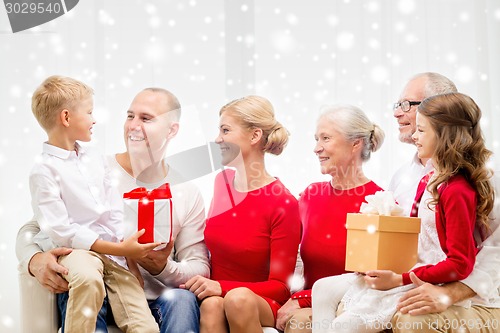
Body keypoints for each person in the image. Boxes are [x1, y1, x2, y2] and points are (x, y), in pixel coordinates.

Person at [17, 87, 210, 333]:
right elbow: (32, 229)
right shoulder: (92, 168)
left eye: (146, 118)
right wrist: (33, 259)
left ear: (172, 130)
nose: (133, 126)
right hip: (100, 289)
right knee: (88, 287)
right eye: (130, 116)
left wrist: (161, 267)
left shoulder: (187, 192)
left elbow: (200, 267)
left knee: (183, 300)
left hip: (156, 301)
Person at [312, 92, 495, 332]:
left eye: (421, 131)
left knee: (345, 325)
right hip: (412, 271)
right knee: (322, 290)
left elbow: (460, 263)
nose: (414, 137)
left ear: (444, 135)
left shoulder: (456, 190)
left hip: (425, 278)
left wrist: (400, 279)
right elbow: (413, 240)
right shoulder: (428, 179)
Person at [28, 75, 160, 333]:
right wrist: (122, 250)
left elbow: (113, 213)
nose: (94, 119)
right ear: (66, 118)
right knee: (88, 278)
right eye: (89, 112)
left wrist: (129, 260)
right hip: (76, 255)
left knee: (145, 327)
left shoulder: (94, 157)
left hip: (114, 255)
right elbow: (62, 232)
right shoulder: (43, 171)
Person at [389, 73, 500, 333]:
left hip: (472, 296)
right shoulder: (402, 178)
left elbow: (494, 251)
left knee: (412, 322)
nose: (397, 113)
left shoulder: (482, 179)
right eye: (397, 104)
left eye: (408, 104)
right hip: (421, 283)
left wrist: (453, 293)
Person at [181, 95, 301, 332]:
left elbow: (281, 287)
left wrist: (221, 287)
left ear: (255, 136)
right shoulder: (221, 181)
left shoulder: (283, 203)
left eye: (225, 130)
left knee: (237, 299)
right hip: (217, 298)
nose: (218, 139)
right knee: (212, 305)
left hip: (259, 301)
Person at [275, 105, 385, 333]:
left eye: (326, 138)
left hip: (350, 306)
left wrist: (303, 299)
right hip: (310, 301)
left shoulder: (378, 203)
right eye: (316, 139)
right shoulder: (310, 195)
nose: (317, 148)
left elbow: (369, 279)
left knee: (300, 325)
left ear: (356, 144)